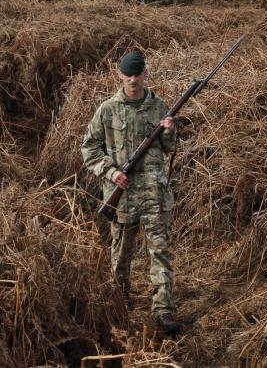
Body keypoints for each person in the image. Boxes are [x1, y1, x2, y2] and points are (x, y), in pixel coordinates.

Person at [81, 51, 182, 335]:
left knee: (159, 252)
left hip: (153, 195)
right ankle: (119, 303)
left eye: (138, 74)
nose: (134, 80)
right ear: (120, 75)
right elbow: (89, 148)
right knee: (121, 256)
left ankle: (163, 310)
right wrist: (112, 172)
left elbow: (168, 149)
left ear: (145, 74)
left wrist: (169, 131)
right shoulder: (107, 109)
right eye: (129, 74)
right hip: (122, 196)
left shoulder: (159, 106)